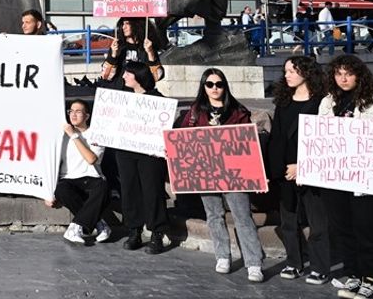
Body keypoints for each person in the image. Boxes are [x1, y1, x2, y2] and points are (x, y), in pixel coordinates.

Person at [176, 68, 264, 282]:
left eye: (219, 84)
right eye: (210, 84)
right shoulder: (196, 111)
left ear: (225, 86)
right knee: (213, 215)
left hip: (234, 173)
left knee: (243, 217)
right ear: (203, 87)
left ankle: (253, 262)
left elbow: (247, 142)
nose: (215, 88)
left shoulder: (237, 110)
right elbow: (182, 137)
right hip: (207, 172)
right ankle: (222, 256)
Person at [318, 54, 373, 299]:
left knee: (368, 230)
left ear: (359, 75)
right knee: (343, 229)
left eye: (348, 73)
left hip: (366, 180)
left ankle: (371, 281)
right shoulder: (327, 103)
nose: (343, 78)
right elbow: (318, 138)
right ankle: (355, 275)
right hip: (336, 179)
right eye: (338, 74)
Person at [267, 55, 331, 285]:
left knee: (317, 222)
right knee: (288, 222)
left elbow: (325, 140)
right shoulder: (283, 102)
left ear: (306, 72)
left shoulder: (323, 102)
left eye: (292, 71)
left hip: (311, 172)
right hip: (285, 173)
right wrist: (275, 170)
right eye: (286, 71)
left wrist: (302, 166)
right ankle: (294, 262)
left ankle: (320, 267)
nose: (287, 75)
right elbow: (276, 138)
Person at [115, 61, 169, 255]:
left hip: (149, 153)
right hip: (125, 151)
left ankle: (157, 233)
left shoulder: (156, 99)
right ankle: (134, 230)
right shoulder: (121, 97)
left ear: (137, 76)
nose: (124, 77)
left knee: (152, 190)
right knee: (129, 189)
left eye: (127, 74)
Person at [45, 99, 110, 245]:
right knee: (61, 190)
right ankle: (100, 224)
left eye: (78, 111)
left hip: (91, 178)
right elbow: (52, 162)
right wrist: (46, 192)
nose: (73, 115)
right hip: (69, 179)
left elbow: (91, 159)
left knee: (103, 188)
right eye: (71, 111)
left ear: (87, 116)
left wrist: (74, 135)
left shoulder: (96, 134)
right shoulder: (60, 136)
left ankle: (75, 227)